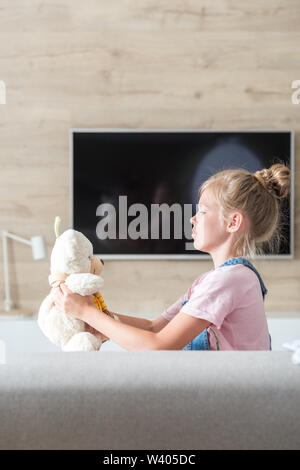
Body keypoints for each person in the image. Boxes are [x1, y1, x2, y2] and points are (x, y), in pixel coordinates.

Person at [52, 163, 290, 351]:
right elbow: (154, 328)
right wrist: (99, 318)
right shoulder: (213, 280)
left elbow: (158, 346)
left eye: (203, 211)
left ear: (233, 222)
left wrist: (87, 313)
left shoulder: (229, 280)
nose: (192, 219)